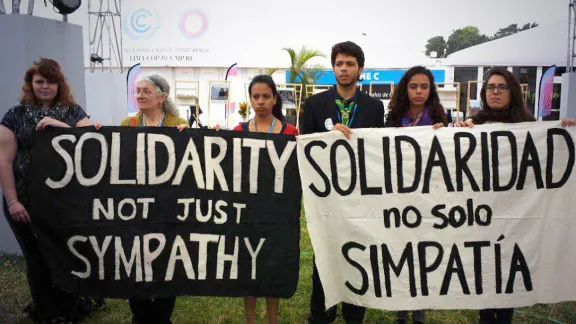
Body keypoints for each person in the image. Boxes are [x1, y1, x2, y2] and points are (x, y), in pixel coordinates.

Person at [455, 67, 576, 323]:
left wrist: (565, 130)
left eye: (501, 87)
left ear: (512, 92)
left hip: (518, 219)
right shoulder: (473, 124)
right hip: (483, 218)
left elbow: (549, 161)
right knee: (487, 276)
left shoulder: (530, 127)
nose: (495, 92)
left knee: (509, 276)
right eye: (490, 87)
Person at [0, 58, 103, 323]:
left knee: (67, 255)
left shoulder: (73, 112)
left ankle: (69, 309)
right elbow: (5, 160)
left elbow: (91, 145)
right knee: (36, 259)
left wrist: (62, 128)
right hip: (25, 200)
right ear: (30, 84)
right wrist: (12, 202)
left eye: (51, 81)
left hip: (66, 201)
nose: (45, 86)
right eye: (40, 81)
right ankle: (47, 312)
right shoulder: (15, 115)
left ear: (60, 84)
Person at [301, 41, 385, 324]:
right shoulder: (314, 105)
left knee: (358, 256)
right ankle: (321, 314)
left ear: (360, 68)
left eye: (350, 64)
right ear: (333, 67)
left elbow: (380, 152)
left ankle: (353, 314)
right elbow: (306, 152)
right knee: (324, 256)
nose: (344, 69)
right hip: (325, 199)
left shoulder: (374, 107)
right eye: (339, 63)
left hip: (360, 199)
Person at [118, 74, 188, 324]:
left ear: (162, 97)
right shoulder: (127, 124)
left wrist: (190, 137)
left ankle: (162, 316)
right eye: (137, 91)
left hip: (167, 208)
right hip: (135, 208)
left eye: (146, 91)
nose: (140, 95)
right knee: (135, 259)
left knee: (167, 261)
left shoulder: (179, 124)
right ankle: (140, 314)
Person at [385, 66, 449, 131]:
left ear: (430, 90)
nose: (419, 91)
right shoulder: (394, 116)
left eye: (424, 87)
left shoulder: (439, 116)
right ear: (405, 89)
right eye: (413, 87)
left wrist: (443, 131)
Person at [233, 75, 298, 135]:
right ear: (250, 99)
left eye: (266, 96)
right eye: (255, 97)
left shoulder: (291, 132)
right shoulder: (238, 132)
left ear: (274, 99)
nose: (260, 102)